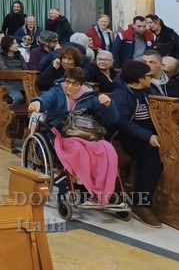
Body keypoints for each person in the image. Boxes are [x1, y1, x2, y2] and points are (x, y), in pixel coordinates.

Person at [27, 66, 119, 205]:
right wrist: (37, 102)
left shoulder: (90, 96)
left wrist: (109, 105)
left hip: (86, 134)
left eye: (75, 83)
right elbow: (45, 99)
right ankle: (87, 188)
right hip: (61, 133)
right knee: (77, 149)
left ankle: (104, 191)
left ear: (82, 85)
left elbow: (113, 119)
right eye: (68, 82)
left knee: (107, 149)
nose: (69, 86)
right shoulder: (56, 91)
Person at [111, 62, 168, 228]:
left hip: (152, 134)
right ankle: (141, 204)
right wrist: (147, 136)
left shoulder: (150, 90)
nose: (152, 77)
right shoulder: (121, 94)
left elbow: (167, 104)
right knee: (152, 160)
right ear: (140, 79)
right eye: (149, 75)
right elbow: (120, 122)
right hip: (127, 137)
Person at [0, 35, 27, 104]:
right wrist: (19, 72)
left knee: (34, 96)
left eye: (17, 43)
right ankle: (8, 114)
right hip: (7, 83)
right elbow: (4, 71)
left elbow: (26, 70)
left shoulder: (20, 56)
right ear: (7, 45)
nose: (17, 45)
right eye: (14, 43)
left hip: (21, 83)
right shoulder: (0, 57)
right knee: (18, 97)